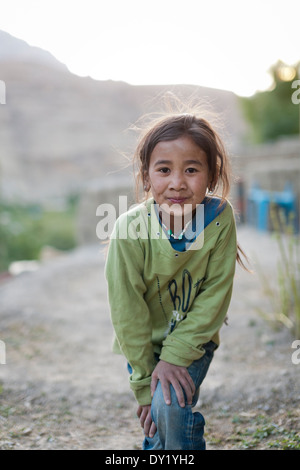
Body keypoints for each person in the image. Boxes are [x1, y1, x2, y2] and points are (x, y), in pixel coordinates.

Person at [105, 110, 246, 450]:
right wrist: (143, 382)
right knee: (158, 412)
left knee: (167, 406)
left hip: (192, 338)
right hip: (145, 345)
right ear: (147, 175)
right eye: (164, 169)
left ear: (211, 175)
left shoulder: (218, 218)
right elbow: (128, 313)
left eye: (192, 170)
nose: (178, 183)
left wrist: (174, 357)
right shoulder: (129, 230)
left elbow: (215, 295)